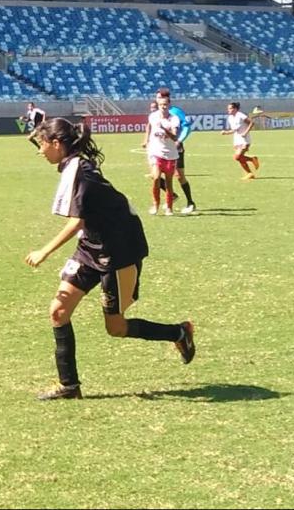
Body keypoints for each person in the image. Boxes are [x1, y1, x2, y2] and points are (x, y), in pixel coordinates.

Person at [25, 117, 195, 400]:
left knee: (115, 327)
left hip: (118, 250)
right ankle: (69, 386)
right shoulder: (71, 166)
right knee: (58, 311)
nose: (40, 151)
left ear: (56, 143)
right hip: (91, 247)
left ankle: (179, 333)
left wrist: (44, 251)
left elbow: (75, 222)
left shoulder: (78, 171)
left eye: (42, 145)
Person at [156, 88, 196, 214]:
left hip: (175, 148)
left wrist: (179, 140)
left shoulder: (175, 112)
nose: (157, 99)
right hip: (160, 149)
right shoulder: (157, 113)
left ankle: (190, 202)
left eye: (158, 97)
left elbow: (186, 127)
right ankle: (172, 195)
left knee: (179, 176)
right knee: (155, 175)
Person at [142, 95, 179, 215]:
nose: (163, 107)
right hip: (156, 151)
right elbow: (149, 127)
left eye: (165, 104)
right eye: (160, 105)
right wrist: (146, 140)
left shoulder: (174, 119)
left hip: (170, 154)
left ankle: (169, 207)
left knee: (169, 182)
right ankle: (155, 205)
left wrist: (164, 128)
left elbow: (174, 137)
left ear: (169, 105)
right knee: (156, 177)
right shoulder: (153, 116)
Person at [221, 101, 260, 180]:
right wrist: (226, 132)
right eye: (228, 108)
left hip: (244, 140)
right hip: (236, 140)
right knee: (239, 158)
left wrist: (245, 132)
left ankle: (252, 160)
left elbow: (251, 123)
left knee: (237, 157)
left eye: (230, 108)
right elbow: (234, 129)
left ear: (235, 109)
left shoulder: (240, 115)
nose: (228, 110)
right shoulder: (230, 118)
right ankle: (250, 173)